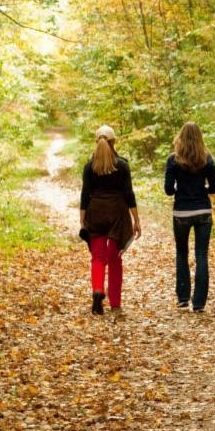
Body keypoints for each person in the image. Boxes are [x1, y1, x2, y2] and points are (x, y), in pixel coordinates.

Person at [80, 125, 141, 318]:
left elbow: (84, 195)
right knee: (115, 259)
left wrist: (82, 220)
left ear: (96, 142)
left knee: (98, 258)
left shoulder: (89, 166)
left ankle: (98, 290)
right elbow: (128, 194)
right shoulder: (122, 165)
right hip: (117, 212)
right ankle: (115, 303)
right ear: (113, 142)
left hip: (95, 211)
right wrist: (136, 219)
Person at [165, 122, 215, 313]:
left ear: (180, 137)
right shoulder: (207, 159)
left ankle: (182, 298)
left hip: (182, 212)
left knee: (182, 253)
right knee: (201, 255)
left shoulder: (173, 160)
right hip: (203, 211)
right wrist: (202, 189)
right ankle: (199, 303)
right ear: (199, 138)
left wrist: (180, 188)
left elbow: (168, 190)